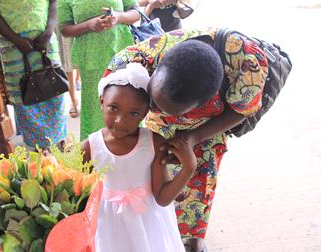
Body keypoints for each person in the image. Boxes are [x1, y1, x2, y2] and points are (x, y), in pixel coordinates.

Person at [105, 28, 269, 251]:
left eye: (168, 111)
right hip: (158, 135)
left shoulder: (247, 62)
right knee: (155, 195)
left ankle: (193, 242)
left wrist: (193, 137)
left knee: (195, 203)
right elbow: (111, 110)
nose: (153, 109)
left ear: (203, 103)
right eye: (152, 101)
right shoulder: (136, 59)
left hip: (206, 133)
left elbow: (242, 109)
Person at [82, 63, 197, 251]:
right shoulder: (90, 147)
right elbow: (78, 195)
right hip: (108, 226)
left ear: (144, 113)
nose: (120, 121)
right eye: (113, 108)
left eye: (133, 113)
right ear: (101, 101)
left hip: (149, 222)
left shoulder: (153, 143)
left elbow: (162, 198)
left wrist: (188, 168)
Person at [0, 0, 68, 148]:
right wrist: (16, 40)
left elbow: (53, 2)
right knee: (25, 96)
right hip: (14, 44)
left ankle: (59, 136)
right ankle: (39, 147)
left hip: (45, 39)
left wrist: (48, 32)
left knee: (55, 88)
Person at [58, 0, 139, 140]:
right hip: (90, 59)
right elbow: (64, 29)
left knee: (127, 100)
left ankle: (130, 145)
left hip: (122, 54)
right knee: (96, 105)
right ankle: (98, 149)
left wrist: (118, 17)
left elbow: (136, 13)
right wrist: (88, 25)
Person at [55, 30, 80, 118]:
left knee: (82, 61)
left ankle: (78, 78)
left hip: (81, 21)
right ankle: (73, 101)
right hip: (62, 24)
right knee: (66, 63)